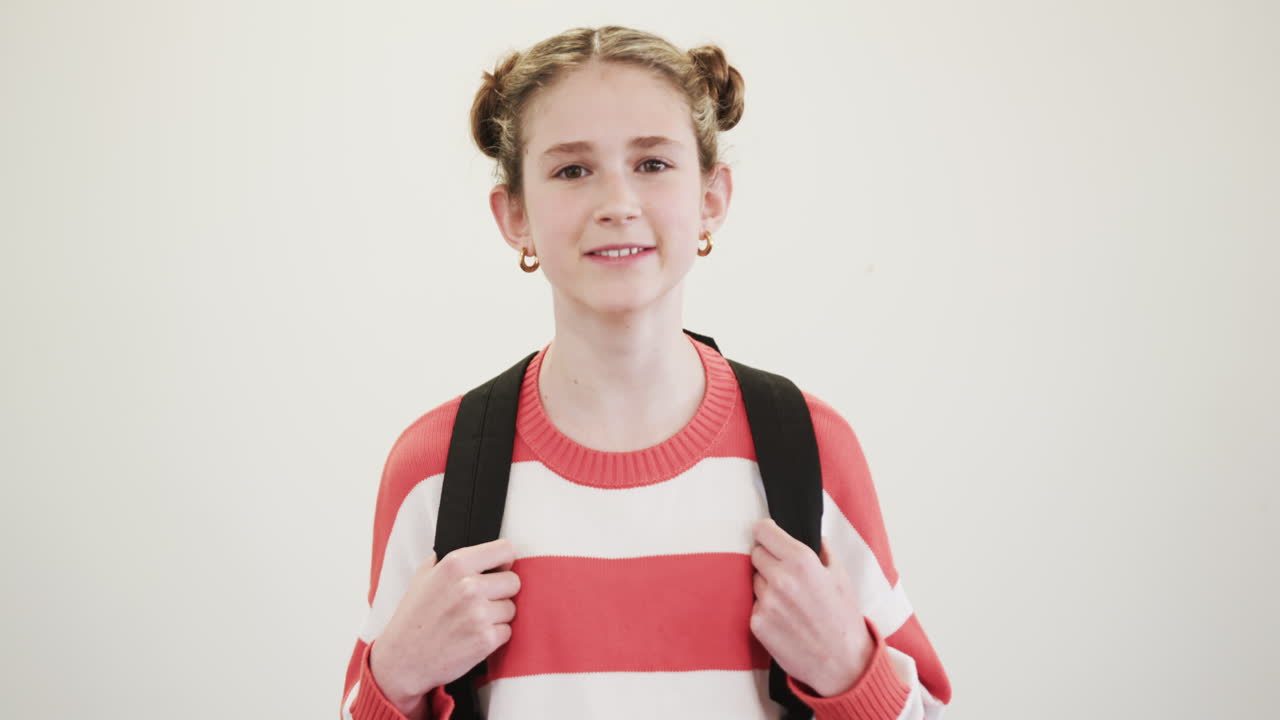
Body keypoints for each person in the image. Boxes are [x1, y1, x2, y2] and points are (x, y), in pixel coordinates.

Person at [339, 25, 951, 720]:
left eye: (653, 164)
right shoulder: (435, 468)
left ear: (713, 197)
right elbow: (368, 701)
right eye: (573, 170)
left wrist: (849, 669)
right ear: (515, 215)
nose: (617, 203)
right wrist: (394, 675)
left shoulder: (810, 448)